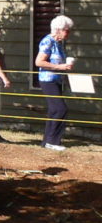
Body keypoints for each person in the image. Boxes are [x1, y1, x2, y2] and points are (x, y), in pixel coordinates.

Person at [35, 14, 74, 151]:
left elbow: (59, 63)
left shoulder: (59, 44)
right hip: (47, 80)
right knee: (60, 109)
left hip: (57, 81)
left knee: (54, 110)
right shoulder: (48, 41)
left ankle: (46, 142)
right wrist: (59, 67)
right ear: (58, 30)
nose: (68, 33)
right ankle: (53, 142)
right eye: (67, 30)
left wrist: (65, 70)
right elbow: (39, 62)